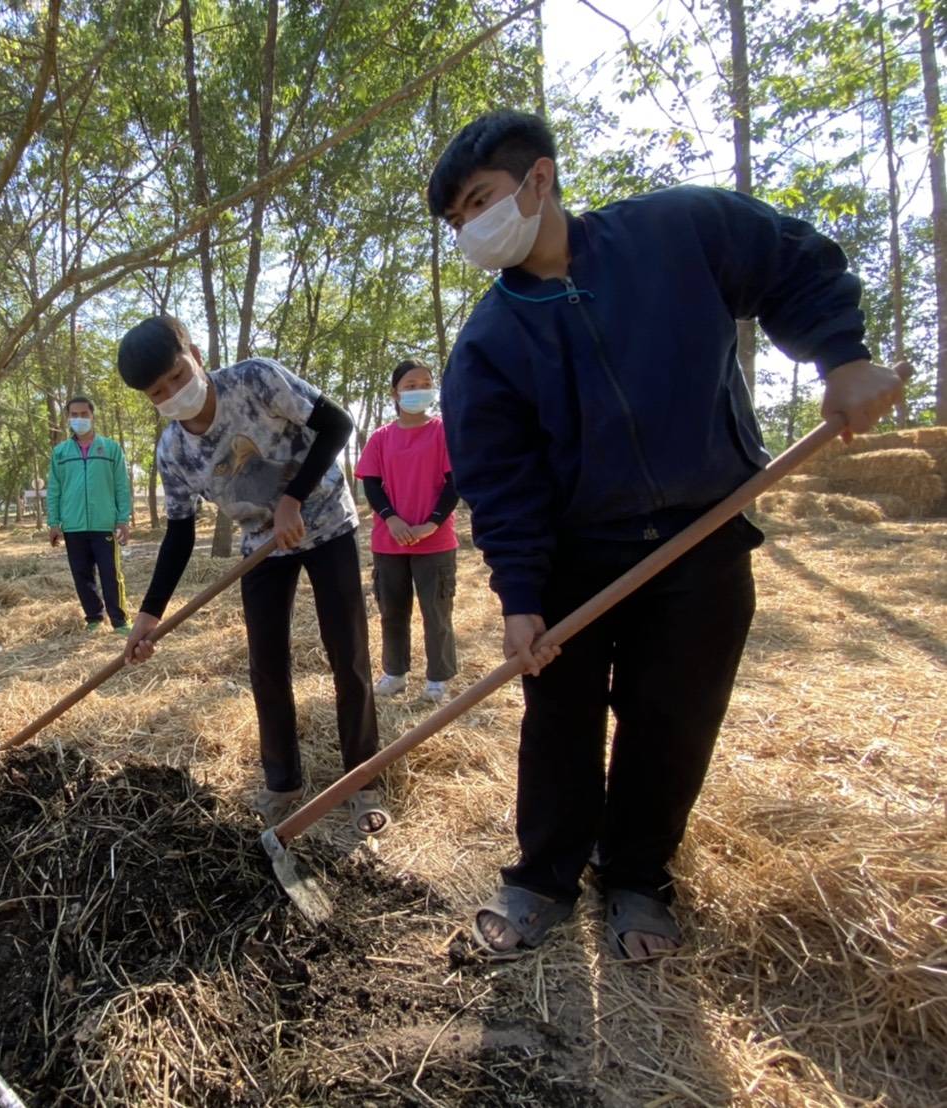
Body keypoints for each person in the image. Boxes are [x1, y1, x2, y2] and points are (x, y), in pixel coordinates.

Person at [430, 110, 906, 960]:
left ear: (539, 179)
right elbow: (502, 485)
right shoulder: (488, 345)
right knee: (560, 717)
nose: (470, 228)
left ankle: (639, 877)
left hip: (702, 535)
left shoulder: (675, 231)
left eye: (479, 200)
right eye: (457, 219)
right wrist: (523, 598)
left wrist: (842, 357)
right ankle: (543, 875)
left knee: (672, 719)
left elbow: (791, 262)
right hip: (580, 554)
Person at [117, 316, 388, 836]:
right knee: (266, 664)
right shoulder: (172, 453)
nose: (174, 392)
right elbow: (178, 536)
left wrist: (293, 498)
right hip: (260, 547)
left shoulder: (257, 379)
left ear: (194, 353)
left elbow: (337, 424)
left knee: (347, 653)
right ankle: (282, 782)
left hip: (326, 521)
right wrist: (149, 616)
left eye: (178, 375)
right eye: (159, 392)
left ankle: (362, 780)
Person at [355, 358, 459, 703]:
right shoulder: (381, 439)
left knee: (437, 612)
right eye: (410, 386)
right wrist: (392, 519)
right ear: (395, 393)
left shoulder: (445, 432)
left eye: (425, 384)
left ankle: (438, 680)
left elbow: (453, 482)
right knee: (392, 612)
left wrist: (432, 523)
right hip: (390, 541)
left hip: (436, 540)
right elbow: (371, 483)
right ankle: (395, 673)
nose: (418, 390)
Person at [46, 396, 133, 634]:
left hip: (104, 524)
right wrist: (54, 523)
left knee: (110, 574)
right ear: (68, 418)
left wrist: (123, 520)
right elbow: (54, 489)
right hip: (73, 526)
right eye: (74, 414)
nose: (79, 419)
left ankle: (120, 621)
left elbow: (121, 487)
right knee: (82, 575)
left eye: (84, 414)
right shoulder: (60, 453)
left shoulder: (111, 449)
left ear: (92, 416)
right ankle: (94, 617)